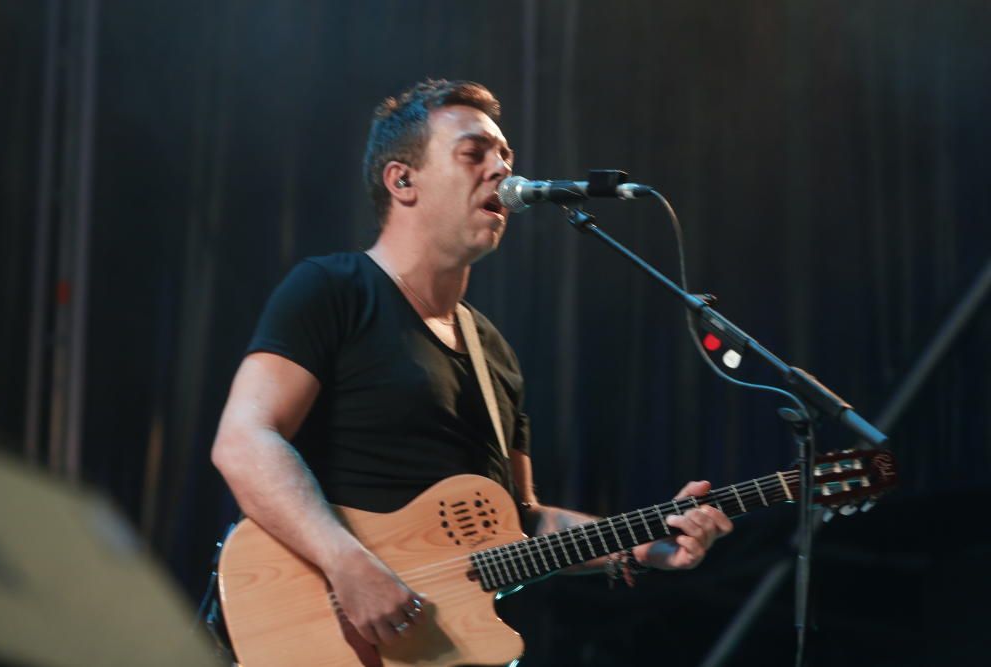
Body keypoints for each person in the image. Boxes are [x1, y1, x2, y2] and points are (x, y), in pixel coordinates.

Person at [211, 79, 732, 650]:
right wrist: (348, 564)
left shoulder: (494, 353)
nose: (502, 170)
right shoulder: (333, 289)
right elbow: (244, 439)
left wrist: (645, 542)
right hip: (311, 626)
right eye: (474, 153)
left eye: (505, 154)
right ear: (402, 180)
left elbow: (521, 522)